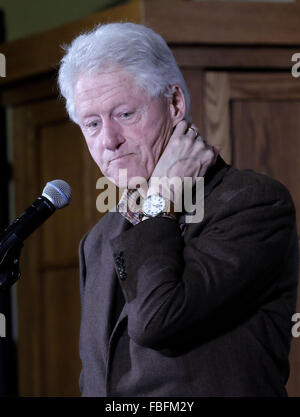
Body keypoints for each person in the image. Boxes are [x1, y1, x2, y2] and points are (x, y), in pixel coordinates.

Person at [58, 22, 299, 397]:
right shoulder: (98, 239)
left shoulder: (251, 203)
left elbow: (157, 320)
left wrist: (161, 200)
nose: (108, 140)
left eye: (124, 114)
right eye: (92, 123)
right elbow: (98, 380)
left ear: (174, 104)